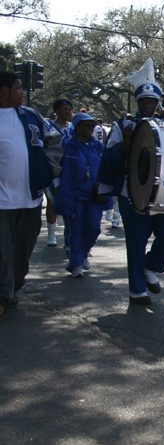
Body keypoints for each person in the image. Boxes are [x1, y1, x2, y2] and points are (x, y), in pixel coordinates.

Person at [97, 59, 164, 305]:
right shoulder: (122, 125)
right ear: (137, 102)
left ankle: (150, 266)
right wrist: (124, 142)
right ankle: (137, 290)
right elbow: (109, 161)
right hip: (130, 193)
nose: (146, 105)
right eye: (143, 101)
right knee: (136, 241)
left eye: (151, 102)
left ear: (157, 103)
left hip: (161, 193)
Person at [0, 71, 63, 319]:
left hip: (30, 197)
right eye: (18, 88)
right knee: (3, 250)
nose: (22, 92)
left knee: (23, 249)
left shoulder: (31, 115)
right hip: (2, 202)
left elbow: (54, 141)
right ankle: (4, 297)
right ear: (4, 90)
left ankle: (12, 286)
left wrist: (47, 169)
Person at [54, 112, 112, 278]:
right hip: (74, 196)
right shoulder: (67, 145)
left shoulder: (98, 146)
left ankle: (83, 253)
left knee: (94, 229)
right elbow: (56, 168)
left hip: (94, 197)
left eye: (92, 126)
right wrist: (58, 189)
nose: (90, 129)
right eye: (86, 126)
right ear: (77, 127)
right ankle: (76, 263)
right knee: (76, 230)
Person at [43, 99, 74, 246]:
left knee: (70, 201)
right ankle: (51, 234)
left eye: (69, 110)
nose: (67, 112)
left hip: (70, 169)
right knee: (52, 200)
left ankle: (69, 234)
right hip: (54, 168)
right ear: (56, 111)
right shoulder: (49, 127)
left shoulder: (73, 128)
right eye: (64, 110)